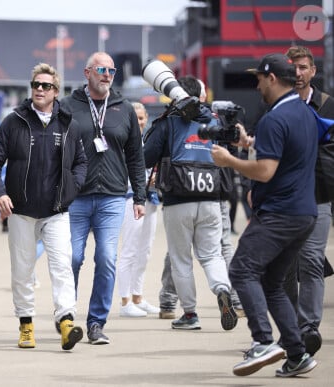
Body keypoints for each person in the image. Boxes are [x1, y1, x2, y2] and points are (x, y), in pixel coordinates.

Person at [211, 53, 318, 377]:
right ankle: (297, 354)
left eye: (259, 78)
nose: (256, 84)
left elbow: (266, 171)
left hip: (279, 213)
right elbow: (288, 152)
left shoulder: (275, 118)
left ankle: (263, 342)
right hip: (303, 213)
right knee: (272, 283)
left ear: (272, 78)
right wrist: (252, 143)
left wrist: (229, 160)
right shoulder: (303, 111)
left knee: (242, 270)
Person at [0, 62, 88, 350]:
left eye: (45, 86)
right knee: (22, 270)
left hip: (57, 211)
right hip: (20, 211)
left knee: (63, 266)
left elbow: (81, 162)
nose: (39, 90)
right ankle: (26, 325)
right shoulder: (14, 120)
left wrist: (74, 187)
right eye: (35, 85)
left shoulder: (69, 124)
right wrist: (0, 193)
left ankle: (66, 322)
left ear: (56, 91)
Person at [61, 52, 146, 344]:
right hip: (76, 198)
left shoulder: (124, 108)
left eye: (112, 70)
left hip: (112, 197)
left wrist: (140, 196)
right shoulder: (68, 106)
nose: (107, 74)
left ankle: (96, 322)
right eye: (101, 69)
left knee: (107, 257)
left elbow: (136, 155)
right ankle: (66, 315)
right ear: (87, 73)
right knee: (71, 257)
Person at [143, 75, 237, 332]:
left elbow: (146, 156)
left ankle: (190, 314)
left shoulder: (169, 122)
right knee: (212, 254)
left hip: (178, 199)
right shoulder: (216, 119)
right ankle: (221, 289)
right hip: (211, 198)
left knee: (180, 259)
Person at [283, 45, 334, 357]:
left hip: (319, 197)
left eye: (303, 67)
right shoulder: (278, 106)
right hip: (284, 200)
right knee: (286, 268)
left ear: (313, 70)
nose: (298, 74)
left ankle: (309, 328)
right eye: (293, 68)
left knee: (312, 261)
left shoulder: (329, 106)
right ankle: (291, 328)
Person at [116, 102, 160, 317]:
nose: (139, 122)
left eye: (142, 118)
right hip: (130, 198)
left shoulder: (149, 141)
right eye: (135, 117)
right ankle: (125, 302)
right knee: (130, 249)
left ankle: (137, 296)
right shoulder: (121, 141)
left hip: (151, 198)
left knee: (145, 250)